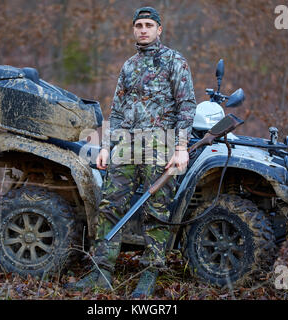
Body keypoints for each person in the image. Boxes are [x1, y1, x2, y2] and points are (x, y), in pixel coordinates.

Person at [67, 6, 196, 298]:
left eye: (149, 24)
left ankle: (149, 274)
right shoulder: (129, 66)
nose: (143, 29)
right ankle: (101, 273)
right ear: (134, 30)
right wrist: (105, 148)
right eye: (139, 25)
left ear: (159, 29)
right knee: (110, 205)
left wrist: (180, 147)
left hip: (160, 144)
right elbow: (118, 110)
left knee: (156, 211)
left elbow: (187, 106)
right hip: (126, 144)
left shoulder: (175, 61)